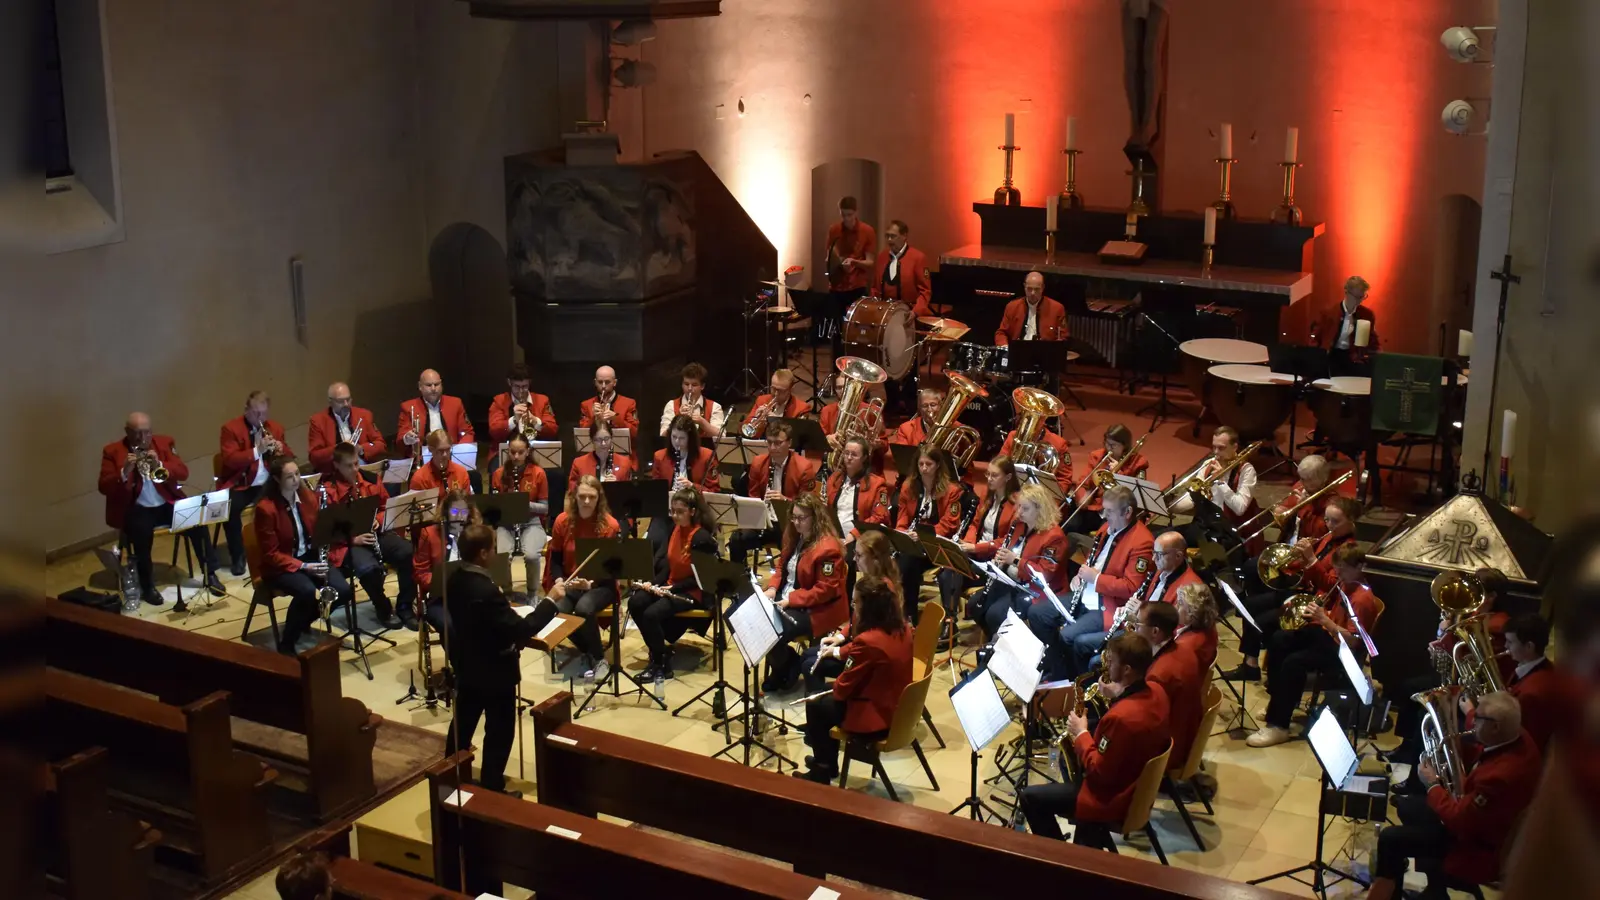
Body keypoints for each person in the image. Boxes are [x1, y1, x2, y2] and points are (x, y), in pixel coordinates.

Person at [1364, 691, 1541, 900]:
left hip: (1475, 845)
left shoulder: (1499, 777)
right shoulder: (1518, 736)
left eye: (1478, 717)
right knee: (1407, 806)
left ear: (1495, 727)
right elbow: (1484, 756)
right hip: (1481, 823)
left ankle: (1390, 891)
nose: (1471, 720)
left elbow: (1459, 821)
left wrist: (1431, 784)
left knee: (1389, 839)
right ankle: (1432, 888)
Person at [1018, 632, 1170, 849]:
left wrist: (1081, 733)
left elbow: (1098, 773)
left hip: (1111, 798)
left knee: (1029, 797)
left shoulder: (1121, 717)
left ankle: (1056, 857)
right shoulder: (1158, 691)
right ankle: (1082, 841)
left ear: (1127, 669)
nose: (1106, 666)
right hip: (1137, 787)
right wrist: (1117, 694)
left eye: (1112, 662)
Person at [444, 522, 559, 796]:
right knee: (499, 730)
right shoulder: (485, 590)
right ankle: (492, 787)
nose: (496, 553)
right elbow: (521, 629)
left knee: (464, 720)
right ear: (483, 553)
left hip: (467, 664)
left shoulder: (455, 578)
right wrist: (550, 602)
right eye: (494, 548)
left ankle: (448, 775)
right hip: (494, 671)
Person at [1246, 544, 1381, 747]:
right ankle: (1278, 704)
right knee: (1280, 639)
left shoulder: (1362, 599)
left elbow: (1354, 640)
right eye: (1337, 568)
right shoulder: (1346, 583)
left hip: (1343, 654)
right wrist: (1319, 614)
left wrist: (1324, 620)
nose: (1338, 573)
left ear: (1360, 567)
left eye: (1342, 568)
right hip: (1330, 637)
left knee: (1294, 663)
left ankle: (1279, 725)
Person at [1387, 567, 1515, 774]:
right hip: (1458, 680)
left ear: (1491, 597)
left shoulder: (1498, 626)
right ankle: (1406, 748)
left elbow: (1462, 652)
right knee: (1409, 689)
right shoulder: (1474, 612)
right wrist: (1442, 634)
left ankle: (1417, 775)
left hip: (1474, 693)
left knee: (1425, 712)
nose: (1470, 595)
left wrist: (1445, 636)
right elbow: (1448, 643)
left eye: (1476, 591)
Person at [1224, 495, 1362, 683]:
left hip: (1316, 603)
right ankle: (1251, 664)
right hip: (1303, 590)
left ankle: (1266, 670)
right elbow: (1308, 567)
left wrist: (1311, 559)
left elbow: (1333, 587)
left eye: (1335, 521)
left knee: (1263, 621)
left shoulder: (1349, 550)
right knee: (1249, 605)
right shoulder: (1330, 537)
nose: (1329, 525)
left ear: (1351, 522)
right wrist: (1297, 557)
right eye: (1327, 519)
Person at [101, 412, 225, 607]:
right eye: (137, 433)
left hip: (166, 503)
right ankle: (148, 585)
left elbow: (183, 472)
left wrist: (159, 464)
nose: (143, 439)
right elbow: (103, 486)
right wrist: (123, 471)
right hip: (137, 507)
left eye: (147, 433)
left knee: (198, 523)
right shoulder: (113, 451)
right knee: (141, 535)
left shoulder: (164, 443)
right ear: (127, 432)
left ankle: (210, 574)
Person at [796, 579, 913, 784]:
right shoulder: (902, 628)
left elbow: (842, 690)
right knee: (824, 694)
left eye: (855, 603)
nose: (854, 608)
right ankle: (825, 761)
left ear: (867, 608)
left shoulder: (868, 641)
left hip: (875, 718)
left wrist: (836, 682)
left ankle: (824, 768)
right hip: (898, 708)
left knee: (815, 701)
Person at [1046, 485, 1155, 679]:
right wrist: (1079, 576)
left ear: (1128, 512)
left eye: (1110, 511)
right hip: (1088, 592)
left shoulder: (1142, 542)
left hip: (1108, 605)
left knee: (1067, 636)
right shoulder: (1107, 527)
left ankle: (1074, 681)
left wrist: (1095, 578)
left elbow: (1131, 587)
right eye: (1104, 509)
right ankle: (1057, 673)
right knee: (1040, 615)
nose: (1104, 516)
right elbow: (1093, 559)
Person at [254, 457, 354, 655]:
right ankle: (287, 642)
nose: (296, 480)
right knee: (307, 592)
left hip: (309, 556)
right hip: (280, 565)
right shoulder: (266, 509)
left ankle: (302, 621)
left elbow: (319, 530)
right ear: (276, 479)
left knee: (342, 590)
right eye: (289, 476)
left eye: (297, 474)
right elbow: (270, 554)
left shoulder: (307, 497)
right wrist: (303, 566)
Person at [627, 486, 719, 680]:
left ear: (692, 512)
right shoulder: (675, 529)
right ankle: (657, 650)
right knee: (635, 603)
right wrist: (651, 584)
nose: (675, 516)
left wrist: (674, 588)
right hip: (673, 585)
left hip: (694, 592)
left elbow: (703, 578)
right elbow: (668, 566)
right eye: (673, 511)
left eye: (680, 512)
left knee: (651, 614)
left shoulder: (701, 538)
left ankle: (660, 664)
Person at [323, 442, 416, 630]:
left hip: (375, 533)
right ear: (336, 465)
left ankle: (405, 606)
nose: (355, 469)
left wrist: (379, 521)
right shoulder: (328, 490)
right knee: (368, 568)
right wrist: (352, 539)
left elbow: (385, 507)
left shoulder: (371, 480)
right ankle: (382, 606)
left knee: (408, 552)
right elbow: (325, 529)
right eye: (349, 466)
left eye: (356, 463)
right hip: (348, 543)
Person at [762, 493, 847, 692]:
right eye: (794, 517)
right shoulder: (794, 537)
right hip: (787, 600)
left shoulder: (828, 548)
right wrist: (773, 588)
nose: (796, 523)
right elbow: (781, 567)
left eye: (802, 518)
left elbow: (824, 590)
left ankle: (786, 667)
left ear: (815, 518)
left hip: (816, 610)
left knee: (772, 629)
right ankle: (788, 663)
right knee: (757, 620)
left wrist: (790, 599)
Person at [1085, 531, 1203, 669]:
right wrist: (1133, 609)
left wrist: (1141, 613)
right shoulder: (1161, 570)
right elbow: (1149, 602)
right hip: (1138, 629)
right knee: (1082, 643)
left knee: (1096, 662)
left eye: (1159, 554)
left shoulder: (1189, 589)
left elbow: (1174, 630)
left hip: (1152, 643)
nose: (1153, 559)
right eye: (1153, 552)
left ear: (1178, 556)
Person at [968, 484, 1071, 642]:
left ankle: (1005, 647)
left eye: (1025, 508)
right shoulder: (1019, 524)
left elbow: (1045, 574)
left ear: (1039, 509)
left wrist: (1015, 560)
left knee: (995, 614)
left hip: (1037, 590)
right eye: (1019, 507)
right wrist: (999, 560)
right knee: (974, 605)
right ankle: (995, 642)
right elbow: (1007, 545)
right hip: (1013, 581)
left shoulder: (1054, 537)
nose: (1019, 512)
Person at [543, 475, 621, 681]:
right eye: (582, 496)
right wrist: (559, 580)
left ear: (599, 499)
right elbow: (556, 559)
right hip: (571, 583)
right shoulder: (562, 521)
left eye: (592, 497)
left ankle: (598, 658)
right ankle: (588, 649)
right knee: (554, 611)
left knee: (584, 609)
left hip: (601, 585)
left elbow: (611, 570)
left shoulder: (610, 526)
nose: (586, 501)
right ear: (574, 497)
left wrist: (591, 583)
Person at [938, 456, 1020, 625]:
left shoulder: (1017, 504)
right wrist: (965, 544)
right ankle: (949, 620)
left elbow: (1007, 540)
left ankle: (950, 621)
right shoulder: (987, 496)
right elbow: (975, 525)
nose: (989, 479)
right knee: (947, 570)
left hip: (995, 561)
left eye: (994, 476)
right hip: (975, 553)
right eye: (988, 474)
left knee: (953, 572)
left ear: (1008, 477)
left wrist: (975, 548)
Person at [219, 391, 292, 577]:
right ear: (246, 410)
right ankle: (238, 556)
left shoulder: (275, 428)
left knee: (291, 497)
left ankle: (286, 547)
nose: (261, 418)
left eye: (264, 414)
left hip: (268, 482)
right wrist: (256, 450)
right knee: (230, 509)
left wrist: (281, 450)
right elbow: (230, 459)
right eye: (256, 413)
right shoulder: (230, 429)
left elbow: (289, 457)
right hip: (242, 484)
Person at [727, 421, 818, 568]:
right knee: (736, 540)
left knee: (790, 547)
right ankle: (741, 582)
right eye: (769, 442)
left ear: (789, 443)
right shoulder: (758, 462)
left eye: (778, 443)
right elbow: (753, 495)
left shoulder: (803, 467)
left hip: (789, 523)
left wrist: (785, 501)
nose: (772, 448)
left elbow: (809, 503)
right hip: (763, 520)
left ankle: (784, 584)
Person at [894, 445, 963, 620]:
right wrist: (902, 534)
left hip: (937, 544)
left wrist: (925, 535)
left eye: (928, 464)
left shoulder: (952, 490)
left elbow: (949, 524)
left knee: (908, 561)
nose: (924, 468)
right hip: (914, 543)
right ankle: (906, 613)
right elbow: (902, 519)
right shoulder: (908, 486)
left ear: (938, 465)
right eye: (921, 464)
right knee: (906, 560)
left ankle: (909, 614)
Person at [1171, 426, 1259, 554]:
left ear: (1234, 447)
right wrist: (1170, 507)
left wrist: (1221, 480)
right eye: (1214, 447)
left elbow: (1239, 508)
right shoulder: (1208, 464)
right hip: (1204, 526)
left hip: (1228, 533)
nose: (1216, 452)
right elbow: (1192, 497)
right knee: (1164, 538)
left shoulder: (1247, 470)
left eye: (1221, 448)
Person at [874, 220, 932, 413]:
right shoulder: (882, 257)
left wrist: (915, 312)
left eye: (893, 236)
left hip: (909, 316)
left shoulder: (918, 258)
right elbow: (875, 288)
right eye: (887, 236)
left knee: (908, 362)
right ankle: (891, 400)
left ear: (904, 236)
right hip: (887, 318)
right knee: (886, 357)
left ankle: (908, 402)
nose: (889, 240)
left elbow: (925, 292)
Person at [1138, 601, 1204, 770]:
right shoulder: (1185, 649)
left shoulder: (1158, 675)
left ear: (1155, 632)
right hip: (1188, 738)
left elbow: (1144, 723)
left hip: (1166, 753)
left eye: (1138, 624)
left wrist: (1118, 693)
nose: (1134, 629)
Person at [647, 413, 722, 548]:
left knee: (697, 544)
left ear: (690, 439)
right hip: (668, 512)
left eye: (682, 438)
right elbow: (655, 490)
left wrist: (693, 486)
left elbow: (714, 491)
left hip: (695, 513)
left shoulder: (706, 456)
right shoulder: (660, 456)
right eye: (674, 437)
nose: (676, 442)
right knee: (655, 541)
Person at [490, 432, 550, 597]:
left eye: (520, 452)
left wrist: (523, 503)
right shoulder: (499, 474)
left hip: (531, 521)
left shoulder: (538, 473)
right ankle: (507, 593)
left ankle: (532, 594)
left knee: (531, 556)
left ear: (528, 451)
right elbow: (492, 507)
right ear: (508, 451)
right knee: (501, 558)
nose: (516, 456)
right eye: (512, 452)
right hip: (506, 522)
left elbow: (545, 508)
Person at [412, 487, 479, 631]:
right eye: (454, 512)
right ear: (446, 513)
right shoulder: (429, 534)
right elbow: (421, 572)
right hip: (438, 599)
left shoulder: (475, 533)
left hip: (469, 594)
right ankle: (456, 653)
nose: (459, 517)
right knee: (451, 626)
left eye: (463, 512)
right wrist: (440, 583)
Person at [1067, 423, 1149, 536]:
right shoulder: (1097, 456)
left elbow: (1136, 495)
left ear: (1124, 445)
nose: (1108, 448)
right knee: (1070, 526)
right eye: (1107, 443)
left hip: (1117, 511)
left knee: (1106, 534)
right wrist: (1083, 497)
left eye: (1113, 445)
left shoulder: (1138, 462)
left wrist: (1119, 474)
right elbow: (1083, 482)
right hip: (1096, 507)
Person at [1496, 613, 1562, 752]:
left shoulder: (1532, 693)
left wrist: (1471, 713)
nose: (1505, 646)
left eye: (1510, 642)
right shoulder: (1539, 667)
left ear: (1529, 647)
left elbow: (1516, 739)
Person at [822, 196, 877, 361]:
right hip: (837, 285)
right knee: (836, 331)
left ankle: (857, 365)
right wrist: (837, 264)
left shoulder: (867, 231)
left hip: (857, 286)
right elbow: (829, 257)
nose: (846, 219)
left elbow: (870, 262)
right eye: (843, 215)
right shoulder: (834, 230)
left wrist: (854, 262)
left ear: (856, 212)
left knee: (858, 330)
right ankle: (837, 368)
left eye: (849, 215)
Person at [822, 436, 892, 558]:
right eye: (846, 453)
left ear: (864, 458)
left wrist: (855, 533)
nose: (849, 458)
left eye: (854, 455)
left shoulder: (877, 484)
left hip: (861, 540)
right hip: (833, 536)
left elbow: (880, 516)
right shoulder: (835, 478)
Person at [1268, 454, 1354, 543]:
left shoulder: (1332, 502)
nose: (1302, 482)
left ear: (1323, 479)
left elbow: (1320, 533)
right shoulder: (1299, 486)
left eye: (1307, 479)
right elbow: (1283, 513)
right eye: (1301, 477)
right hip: (1290, 538)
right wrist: (1285, 510)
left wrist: (1306, 507)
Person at [307, 382, 386, 476]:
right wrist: (340, 449)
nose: (346, 404)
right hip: (335, 474)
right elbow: (314, 457)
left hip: (363, 470)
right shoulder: (318, 421)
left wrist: (361, 449)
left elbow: (381, 445)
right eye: (340, 401)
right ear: (330, 401)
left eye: (348, 400)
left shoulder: (364, 415)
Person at [398, 369, 475, 453]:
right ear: (420, 386)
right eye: (429, 385)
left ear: (441, 384)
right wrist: (407, 438)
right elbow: (400, 439)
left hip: (451, 454)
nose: (433, 388)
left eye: (436, 384)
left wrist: (460, 452)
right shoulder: (408, 407)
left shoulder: (455, 403)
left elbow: (467, 432)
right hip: (423, 458)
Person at [1317, 275, 1381, 377]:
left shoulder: (1367, 315)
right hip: (1332, 355)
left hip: (1353, 357)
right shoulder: (1329, 313)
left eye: (1362, 297)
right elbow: (1317, 337)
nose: (1359, 301)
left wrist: (1372, 356)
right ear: (1346, 293)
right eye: (1356, 297)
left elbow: (1373, 341)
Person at [998, 418, 1074, 495]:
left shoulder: (1058, 443)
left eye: (1036, 418)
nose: (1029, 422)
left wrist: (1051, 502)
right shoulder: (1013, 436)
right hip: (1012, 494)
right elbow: (999, 466)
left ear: (1043, 419)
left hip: (1043, 498)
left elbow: (1064, 479)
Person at [488, 362, 557, 443]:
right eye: (517, 386)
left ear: (529, 383)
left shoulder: (542, 400)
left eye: (524, 386)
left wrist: (535, 421)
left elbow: (553, 430)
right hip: (508, 451)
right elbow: (494, 432)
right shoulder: (499, 401)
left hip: (534, 450)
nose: (521, 391)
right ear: (509, 382)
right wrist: (514, 420)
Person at [995, 271, 1068, 344]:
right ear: (1024, 287)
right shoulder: (1012, 306)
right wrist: (1005, 347)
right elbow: (1001, 333)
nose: (1033, 293)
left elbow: (1062, 337)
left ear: (1043, 288)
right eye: (1029, 289)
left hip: (1044, 351)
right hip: (1018, 351)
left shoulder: (1057, 308)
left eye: (1037, 289)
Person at [659, 362, 727, 438]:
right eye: (686, 384)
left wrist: (702, 422)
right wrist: (679, 418)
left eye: (694, 385)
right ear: (682, 384)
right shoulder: (671, 405)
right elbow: (663, 435)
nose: (690, 389)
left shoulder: (715, 407)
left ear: (702, 386)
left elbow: (721, 436)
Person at [738, 368, 810, 439]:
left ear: (791, 389)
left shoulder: (802, 408)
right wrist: (755, 420)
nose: (776, 394)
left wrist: (777, 422)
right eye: (773, 388)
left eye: (781, 391)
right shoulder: (762, 400)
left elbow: (797, 437)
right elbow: (745, 430)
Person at [567, 420, 635, 491]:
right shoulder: (578, 463)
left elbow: (629, 493)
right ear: (592, 440)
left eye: (606, 438)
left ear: (612, 438)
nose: (603, 443)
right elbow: (572, 492)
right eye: (598, 440)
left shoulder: (625, 463)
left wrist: (617, 485)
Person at [409, 430, 474, 499]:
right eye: (440, 450)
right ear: (430, 449)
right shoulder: (419, 478)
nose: (445, 455)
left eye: (448, 449)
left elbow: (467, 503)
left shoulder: (461, 472)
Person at [578, 365, 639, 438]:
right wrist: (593, 418)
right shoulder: (586, 405)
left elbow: (635, 433)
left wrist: (616, 419)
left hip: (620, 449)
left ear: (615, 382)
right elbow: (582, 435)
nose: (603, 386)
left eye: (607, 382)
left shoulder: (629, 403)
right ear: (595, 382)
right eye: (600, 382)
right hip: (595, 448)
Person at [1173, 582, 1220, 673]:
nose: (1175, 607)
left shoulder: (1185, 646)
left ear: (1192, 612)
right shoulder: (1209, 629)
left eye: (1180, 603)